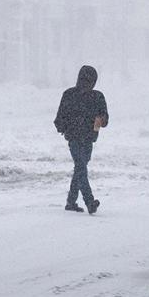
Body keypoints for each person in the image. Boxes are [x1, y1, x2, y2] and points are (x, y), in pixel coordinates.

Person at [54, 64, 109, 214]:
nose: (87, 84)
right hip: (75, 138)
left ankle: (71, 202)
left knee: (80, 168)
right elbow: (59, 118)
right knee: (81, 167)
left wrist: (102, 120)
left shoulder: (96, 96)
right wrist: (64, 127)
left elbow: (105, 118)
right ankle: (89, 201)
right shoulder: (70, 95)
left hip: (88, 139)